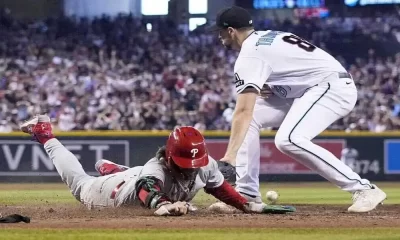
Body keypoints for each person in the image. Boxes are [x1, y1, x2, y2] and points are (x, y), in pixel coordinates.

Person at [208, 6, 386, 213]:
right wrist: (275, 87)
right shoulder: (269, 36)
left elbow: (242, 111)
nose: (219, 37)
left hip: (331, 88)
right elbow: (297, 70)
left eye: (220, 32)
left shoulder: (250, 55)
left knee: (288, 139)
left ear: (231, 31)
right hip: (313, 88)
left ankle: (363, 189)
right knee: (255, 116)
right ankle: (247, 194)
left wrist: (229, 157)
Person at [20, 115, 295, 216]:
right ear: (169, 157)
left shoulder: (204, 164)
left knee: (147, 177)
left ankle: (118, 169)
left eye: (194, 163)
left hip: (141, 177)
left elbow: (221, 188)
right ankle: (46, 134)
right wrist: (163, 205)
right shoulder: (157, 170)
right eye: (185, 163)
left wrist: (250, 205)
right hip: (109, 193)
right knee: (79, 183)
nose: (191, 168)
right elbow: (146, 188)